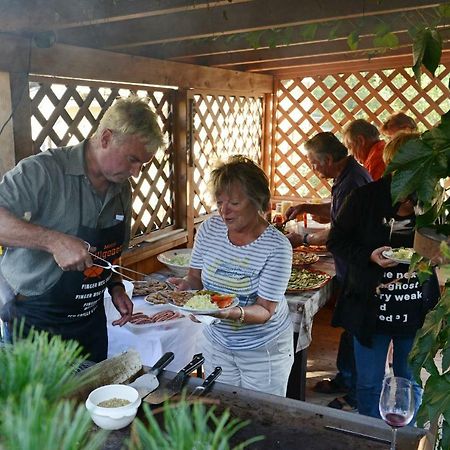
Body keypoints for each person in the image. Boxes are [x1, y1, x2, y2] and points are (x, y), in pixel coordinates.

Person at [0, 96, 164, 362]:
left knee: (94, 401)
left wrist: (116, 287)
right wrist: (52, 241)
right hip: (36, 323)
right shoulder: (45, 170)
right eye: (132, 160)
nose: (136, 172)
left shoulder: (122, 188)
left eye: (142, 165)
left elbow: (110, 250)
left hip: (89, 325)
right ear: (106, 138)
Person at [327, 132, 440, 418]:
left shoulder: (434, 201)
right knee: (368, 384)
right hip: (370, 308)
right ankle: (371, 439)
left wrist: (441, 255)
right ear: (395, 165)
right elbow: (336, 240)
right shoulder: (365, 198)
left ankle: (406, 438)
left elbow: (440, 246)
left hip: (416, 308)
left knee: (409, 380)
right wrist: (369, 254)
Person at [169, 155, 294, 396]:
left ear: (257, 202)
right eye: (219, 202)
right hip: (217, 342)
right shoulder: (209, 229)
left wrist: (229, 313)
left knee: (259, 415)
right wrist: (185, 287)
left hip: (263, 350)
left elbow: (265, 310)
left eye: (234, 203)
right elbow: (195, 278)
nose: (224, 211)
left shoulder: (276, 246)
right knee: (222, 408)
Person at [284, 132, 372, 410]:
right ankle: (345, 379)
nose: (313, 168)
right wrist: (306, 206)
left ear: (329, 159)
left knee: (357, 330)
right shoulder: (347, 177)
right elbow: (336, 211)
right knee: (349, 328)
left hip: (359, 267)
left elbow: (338, 230)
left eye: (313, 163)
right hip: (350, 266)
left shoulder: (354, 183)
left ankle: (354, 394)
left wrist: (303, 240)